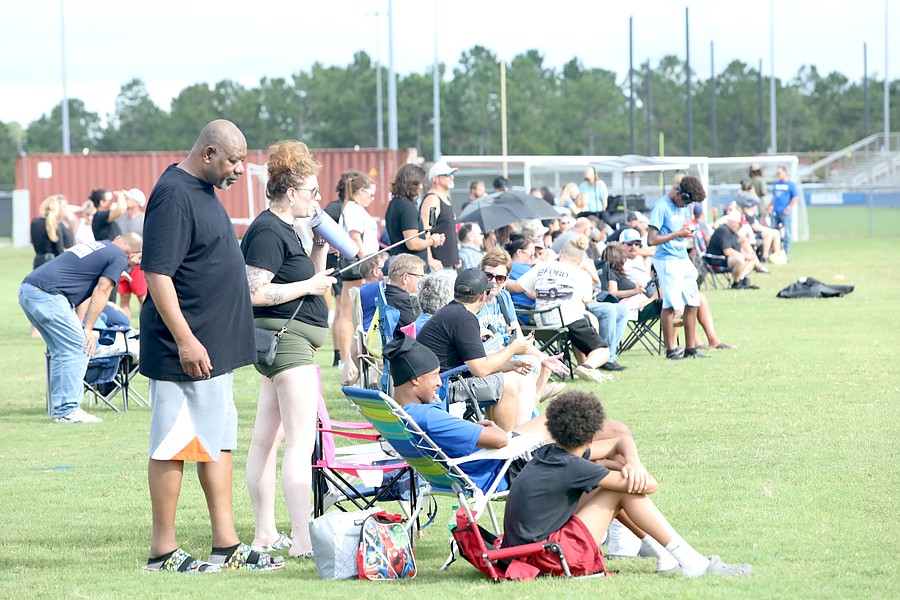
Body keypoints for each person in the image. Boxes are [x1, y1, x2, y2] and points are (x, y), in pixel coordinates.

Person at [140, 119, 281, 573]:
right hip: (186, 351)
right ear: (208, 153)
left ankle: (227, 545)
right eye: (234, 160)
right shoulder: (173, 194)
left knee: (217, 444)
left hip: (215, 351)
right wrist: (185, 340)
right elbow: (157, 273)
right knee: (174, 445)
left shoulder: (202, 191)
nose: (240, 169)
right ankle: (162, 552)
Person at [502, 390, 752, 578]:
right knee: (619, 492)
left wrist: (632, 463)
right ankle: (692, 562)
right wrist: (626, 469)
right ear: (591, 437)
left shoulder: (549, 452)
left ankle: (667, 556)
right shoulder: (573, 466)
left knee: (613, 483)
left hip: (525, 550)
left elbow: (620, 442)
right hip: (545, 556)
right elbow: (649, 486)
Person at [241, 140, 337, 560]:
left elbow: (306, 284)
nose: (317, 199)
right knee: (300, 441)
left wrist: (318, 249)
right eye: (313, 192)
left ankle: (266, 534)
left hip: (287, 344)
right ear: (292, 192)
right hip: (288, 345)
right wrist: (309, 284)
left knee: (267, 441)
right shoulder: (267, 230)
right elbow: (254, 292)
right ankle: (302, 539)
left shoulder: (287, 229)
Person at [19, 233, 143, 423]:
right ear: (133, 254)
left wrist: (81, 326)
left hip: (29, 291)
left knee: (62, 351)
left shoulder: (101, 246)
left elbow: (86, 293)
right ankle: (69, 410)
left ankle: (60, 410)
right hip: (48, 295)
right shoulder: (119, 256)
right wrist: (88, 329)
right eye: (137, 258)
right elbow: (102, 290)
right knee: (80, 347)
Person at [416, 268, 537, 431]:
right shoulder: (464, 319)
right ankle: (507, 440)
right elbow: (480, 369)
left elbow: (477, 363)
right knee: (508, 384)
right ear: (482, 296)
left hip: (435, 382)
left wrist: (510, 365)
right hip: (441, 388)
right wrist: (513, 348)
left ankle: (509, 436)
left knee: (513, 378)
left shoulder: (452, 312)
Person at [477, 248, 569, 402]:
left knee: (543, 365)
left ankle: (531, 403)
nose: (493, 281)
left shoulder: (504, 297)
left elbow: (518, 338)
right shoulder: (474, 300)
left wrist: (544, 357)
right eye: (488, 276)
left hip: (507, 351)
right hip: (488, 359)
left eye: (500, 278)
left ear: (506, 280)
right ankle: (531, 404)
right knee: (532, 364)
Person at [515, 235, 611, 382]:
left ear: (560, 253)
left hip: (541, 325)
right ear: (580, 260)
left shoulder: (542, 267)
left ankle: (583, 366)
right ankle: (587, 366)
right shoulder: (581, 274)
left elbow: (517, 287)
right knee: (603, 350)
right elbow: (587, 301)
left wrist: (499, 281)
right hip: (568, 322)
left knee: (583, 321)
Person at [647, 176, 708, 360]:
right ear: (680, 194)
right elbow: (651, 240)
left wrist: (685, 233)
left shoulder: (682, 205)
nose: (686, 206)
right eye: (686, 201)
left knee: (693, 302)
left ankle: (691, 349)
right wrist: (678, 234)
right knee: (671, 306)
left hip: (682, 258)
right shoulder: (661, 207)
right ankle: (671, 351)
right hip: (667, 260)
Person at [333, 171, 379, 368]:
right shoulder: (353, 209)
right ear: (361, 191)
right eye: (371, 194)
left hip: (360, 262)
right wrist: (368, 262)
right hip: (357, 265)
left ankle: (353, 357)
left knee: (354, 313)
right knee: (348, 313)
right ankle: (345, 359)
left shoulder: (355, 209)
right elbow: (355, 237)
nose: (372, 198)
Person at [384, 163, 445, 267]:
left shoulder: (394, 203)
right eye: (419, 183)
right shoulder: (407, 208)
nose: (421, 187)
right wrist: (432, 240)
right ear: (412, 183)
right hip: (410, 267)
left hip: (400, 263)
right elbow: (412, 243)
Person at [421, 161, 460, 272]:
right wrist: (430, 259)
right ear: (435, 179)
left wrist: (455, 258)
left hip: (448, 265)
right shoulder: (433, 199)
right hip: (439, 266)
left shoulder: (445, 199)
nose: (451, 177)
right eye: (447, 175)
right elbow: (425, 231)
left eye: (452, 174)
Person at [117, 188, 147, 319]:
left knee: (142, 297)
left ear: (136, 202)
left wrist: (138, 255)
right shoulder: (120, 219)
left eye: (128, 198)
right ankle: (126, 327)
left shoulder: (144, 219)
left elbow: (150, 241)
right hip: (123, 265)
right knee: (124, 298)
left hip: (138, 265)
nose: (125, 200)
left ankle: (144, 328)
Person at [384, 253, 426, 338]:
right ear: (406, 277)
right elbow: (417, 333)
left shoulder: (386, 293)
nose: (422, 281)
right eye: (420, 276)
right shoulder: (402, 301)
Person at [770, 166, 800, 255]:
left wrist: (788, 207)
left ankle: (785, 253)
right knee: (773, 231)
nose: (778, 174)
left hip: (785, 212)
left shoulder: (791, 184)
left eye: (779, 173)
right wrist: (769, 206)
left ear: (785, 173)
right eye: (777, 173)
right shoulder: (776, 183)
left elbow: (795, 197)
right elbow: (774, 197)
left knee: (787, 233)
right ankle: (774, 252)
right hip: (775, 211)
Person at [30, 195, 66, 269]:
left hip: (38, 261)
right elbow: (59, 251)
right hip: (52, 263)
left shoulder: (34, 223)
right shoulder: (56, 226)